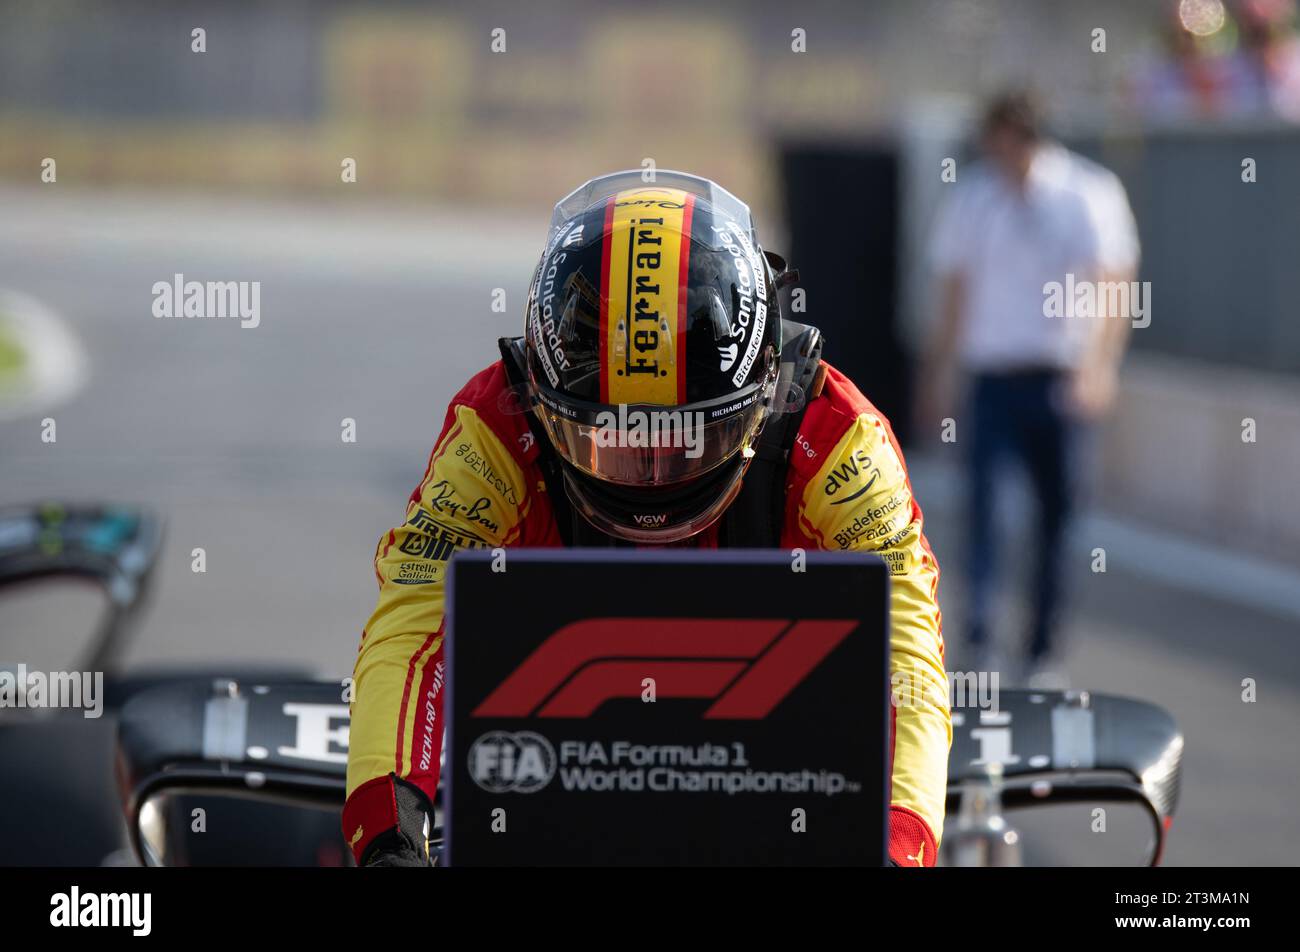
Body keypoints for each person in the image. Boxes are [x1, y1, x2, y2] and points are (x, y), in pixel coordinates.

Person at [343, 170, 950, 867]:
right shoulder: (493, 431)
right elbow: (416, 624)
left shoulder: (840, 438)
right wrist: (388, 827)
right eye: (616, 443)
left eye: (686, 442)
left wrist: (901, 843)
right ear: (540, 397)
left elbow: (904, 654)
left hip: (788, 782)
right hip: (552, 785)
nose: (652, 480)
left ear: (763, 394)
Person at [920, 92, 1140, 687]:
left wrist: (1099, 366)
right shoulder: (973, 197)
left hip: (1058, 378)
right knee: (983, 513)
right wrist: (940, 370)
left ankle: (1043, 648)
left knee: (1058, 519)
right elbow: (954, 290)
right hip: (993, 378)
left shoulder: (1088, 193)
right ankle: (981, 638)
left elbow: (1114, 285)